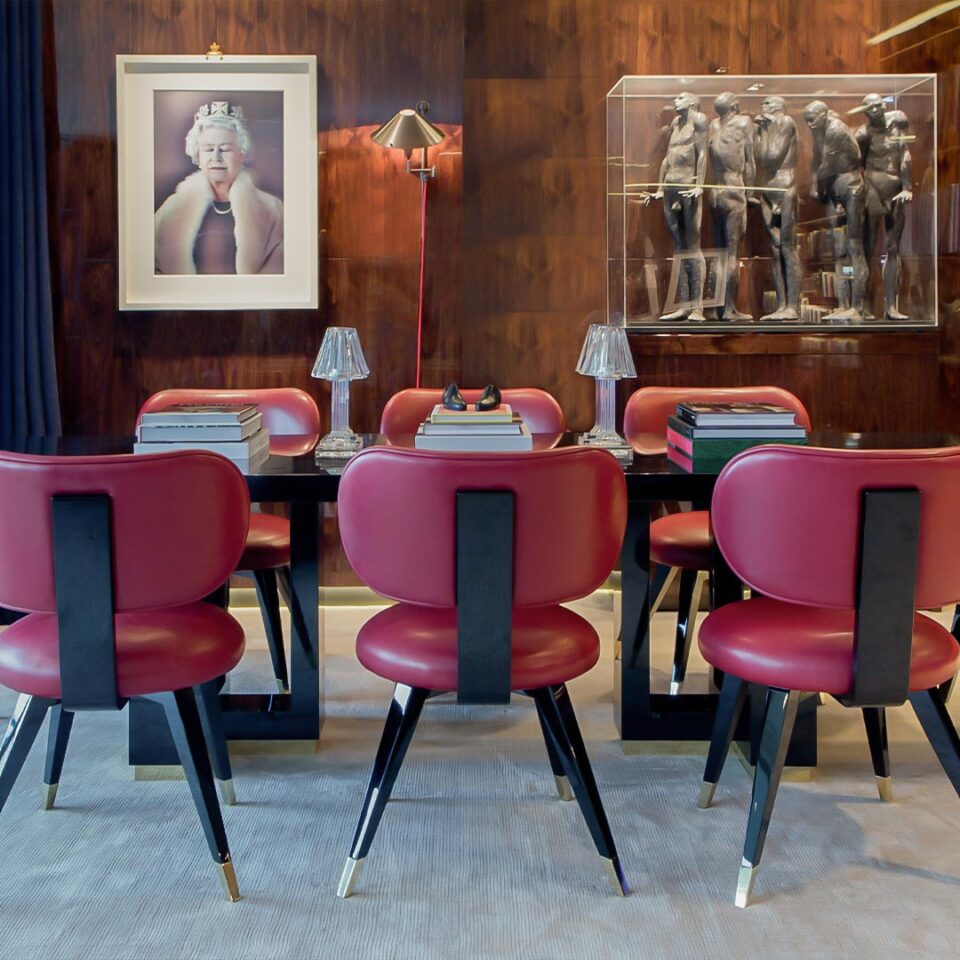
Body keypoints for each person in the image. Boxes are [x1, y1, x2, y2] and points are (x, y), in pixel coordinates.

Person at [155, 101, 283, 275]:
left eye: (225, 149)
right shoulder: (172, 208)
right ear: (197, 156)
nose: (216, 157)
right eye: (208, 149)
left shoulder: (271, 209)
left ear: (242, 154)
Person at [642, 92, 709, 321]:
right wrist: (660, 188)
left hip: (687, 188)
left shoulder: (699, 120)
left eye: (681, 98)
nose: (676, 100)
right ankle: (684, 304)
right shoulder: (675, 123)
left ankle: (698, 307)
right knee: (678, 247)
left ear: (691, 101)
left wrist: (700, 184)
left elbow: (702, 154)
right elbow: (666, 158)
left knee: (693, 245)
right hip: (670, 187)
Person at [804, 99, 868, 320]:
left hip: (851, 187)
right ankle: (842, 304)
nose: (809, 124)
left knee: (854, 246)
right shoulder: (818, 130)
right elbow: (816, 161)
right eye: (806, 121)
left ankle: (858, 307)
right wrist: (815, 187)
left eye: (812, 119)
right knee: (839, 250)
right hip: (834, 189)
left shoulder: (836, 129)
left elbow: (827, 166)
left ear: (823, 114)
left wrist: (819, 187)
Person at [856, 93, 913, 320]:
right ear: (866, 112)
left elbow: (905, 155)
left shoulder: (898, 120)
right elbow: (856, 165)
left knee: (892, 248)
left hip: (897, 189)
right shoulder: (863, 134)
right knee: (868, 247)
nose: (877, 110)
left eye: (879, 105)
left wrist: (907, 186)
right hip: (873, 190)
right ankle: (864, 306)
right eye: (871, 108)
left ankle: (891, 307)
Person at [707, 92, 755, 321]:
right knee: (732, 255)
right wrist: (753, 192)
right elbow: (751, 161)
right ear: (735, 107)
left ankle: (716, 309)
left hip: (714, 192)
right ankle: (729, 309)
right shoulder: (744, 122)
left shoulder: (713, 125)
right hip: (734, 189)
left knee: (720, 254)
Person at [754, 95, 802, 321]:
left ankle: (792, 305)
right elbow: (758, 157)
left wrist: (763, 131)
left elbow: (771, 157)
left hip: (784, 188)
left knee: (788, 248)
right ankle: (782, 305)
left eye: (766, 103)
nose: (762, 107)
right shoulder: (768, 126)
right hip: (768, 189)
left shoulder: (784, 122)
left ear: (778, 106)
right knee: (775, 250)